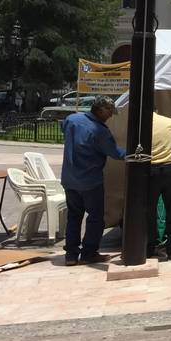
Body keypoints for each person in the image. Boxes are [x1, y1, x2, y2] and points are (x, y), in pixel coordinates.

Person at [59, 96, 125, 265]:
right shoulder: (100, 131)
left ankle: (71, 255)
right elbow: (116, 153)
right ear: (101, 110)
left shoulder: (72, 119)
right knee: (95, 217)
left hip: (69, 179)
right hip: (90, 181)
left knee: (74, 216)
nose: (111, 116)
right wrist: (134, 153)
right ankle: (89, 253)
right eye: (110, 111)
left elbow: (63, 129)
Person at [149, 111, 171, 261]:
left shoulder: (140, 124)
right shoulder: (170, 122)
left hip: (150, 171)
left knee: (148, 212)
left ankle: (147, 248)